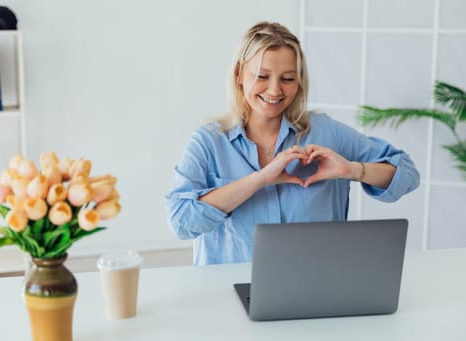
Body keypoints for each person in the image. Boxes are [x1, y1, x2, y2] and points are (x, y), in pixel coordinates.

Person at [165, 21, 420, 265]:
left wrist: (354, 170)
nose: (275, 90)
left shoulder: (326, 132)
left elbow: (407, 173)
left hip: (316, 293)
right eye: (262, 76)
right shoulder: (209, 142)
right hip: (228, 296)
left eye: (287, 79)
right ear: (239, 74)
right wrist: (260, 179)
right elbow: (181, 222)